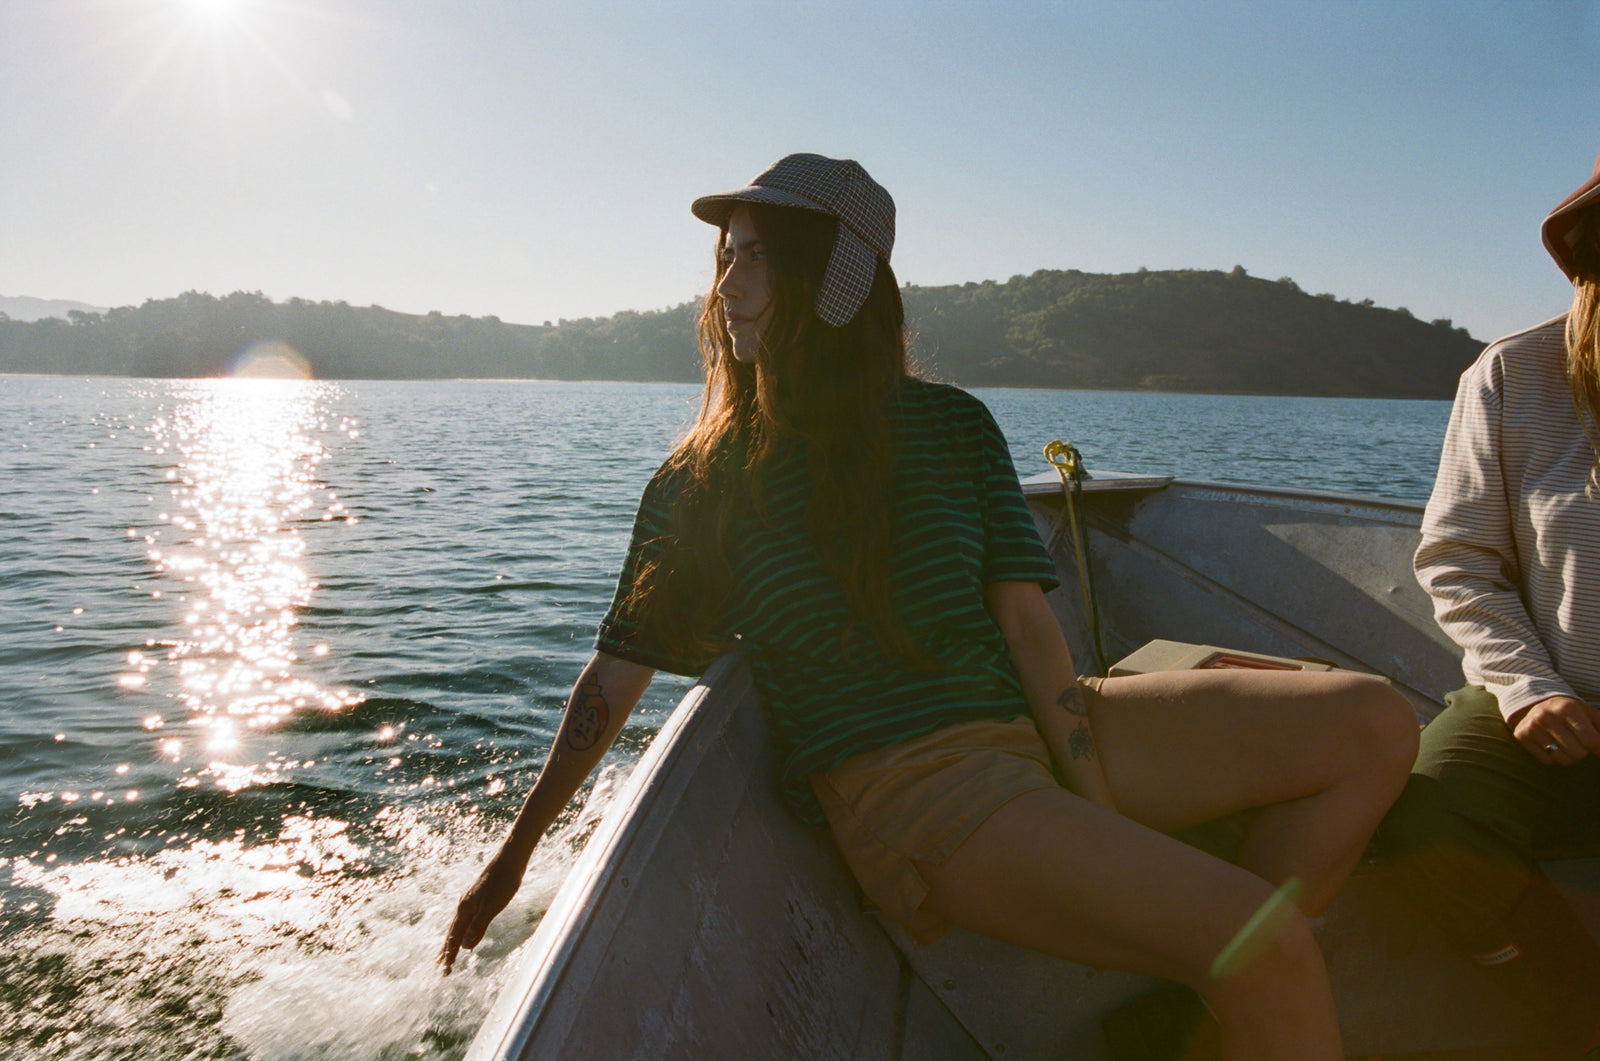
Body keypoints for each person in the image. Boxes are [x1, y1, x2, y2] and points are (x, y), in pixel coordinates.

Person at [438, 153, 1418, 1059]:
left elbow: (1031, 627)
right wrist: (511, 861)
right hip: (916, 790)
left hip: (1032, 722)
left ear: (835, 283)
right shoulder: (707, 477)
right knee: (1269, 943)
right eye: (723, 259)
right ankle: (1238, 974)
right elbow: (614, 675)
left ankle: (1213, 991)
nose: (725, 286)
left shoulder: (951, 424)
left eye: (755, 261)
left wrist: (1100, 808)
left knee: (1374, 721)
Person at [1381, 153, 1600, 1057]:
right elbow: (1460, 561)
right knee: (1423, 817)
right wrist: (1529, 687)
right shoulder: (1515, 375)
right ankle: (1576, 1004)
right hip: (1553, 710)